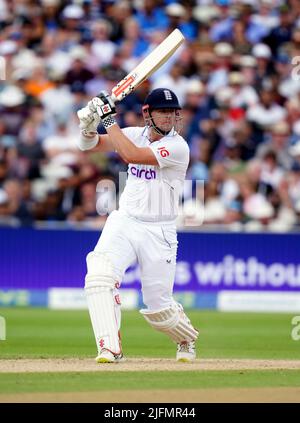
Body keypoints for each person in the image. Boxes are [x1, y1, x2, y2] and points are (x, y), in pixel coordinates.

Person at [77, 88, 199, 363]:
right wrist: (86, 126)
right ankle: (109, 347)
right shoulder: (133, 133)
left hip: (159, 230)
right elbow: (89, 146)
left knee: (158, 308)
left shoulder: (178, 147)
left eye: (172, 112)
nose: (169, 117)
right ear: (147, 113)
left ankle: (186, 337)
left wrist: (107, 119)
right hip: (125, 220)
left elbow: (132, 155)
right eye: (163, 111)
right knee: (99, 276)